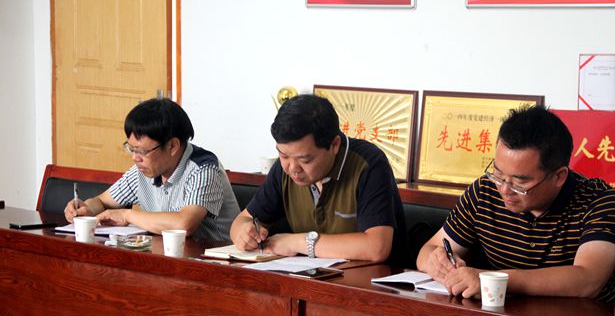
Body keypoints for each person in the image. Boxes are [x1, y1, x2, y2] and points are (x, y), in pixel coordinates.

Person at [417, 105, 615, 303]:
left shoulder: (598, 200)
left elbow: (588, 280)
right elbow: (429, 251)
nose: (504, 189)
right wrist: (436, 262)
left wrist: (493, 280)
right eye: (498, 174)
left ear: (559, 176)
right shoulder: (484, 192)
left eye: (520, 182)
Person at [229, 94, 409, 265]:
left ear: (334, 145)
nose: (293, 168)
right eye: (283, 156)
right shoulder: (285, 168)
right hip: (310, 277)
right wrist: (244, 233)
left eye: (305, 160)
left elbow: (376, 248)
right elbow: (242, 220)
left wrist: (297, 242)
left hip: (371, 281)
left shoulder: (368, 164)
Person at [64, 97, 240, 243]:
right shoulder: (144, 169)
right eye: (131, 149)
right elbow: (103, 202)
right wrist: (86, 208)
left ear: (172, 146)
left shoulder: (204, 169)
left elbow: (184, 225)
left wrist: (127, 215)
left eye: (142, 151)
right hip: (167, 255)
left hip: (214, 261)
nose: (135, 158)